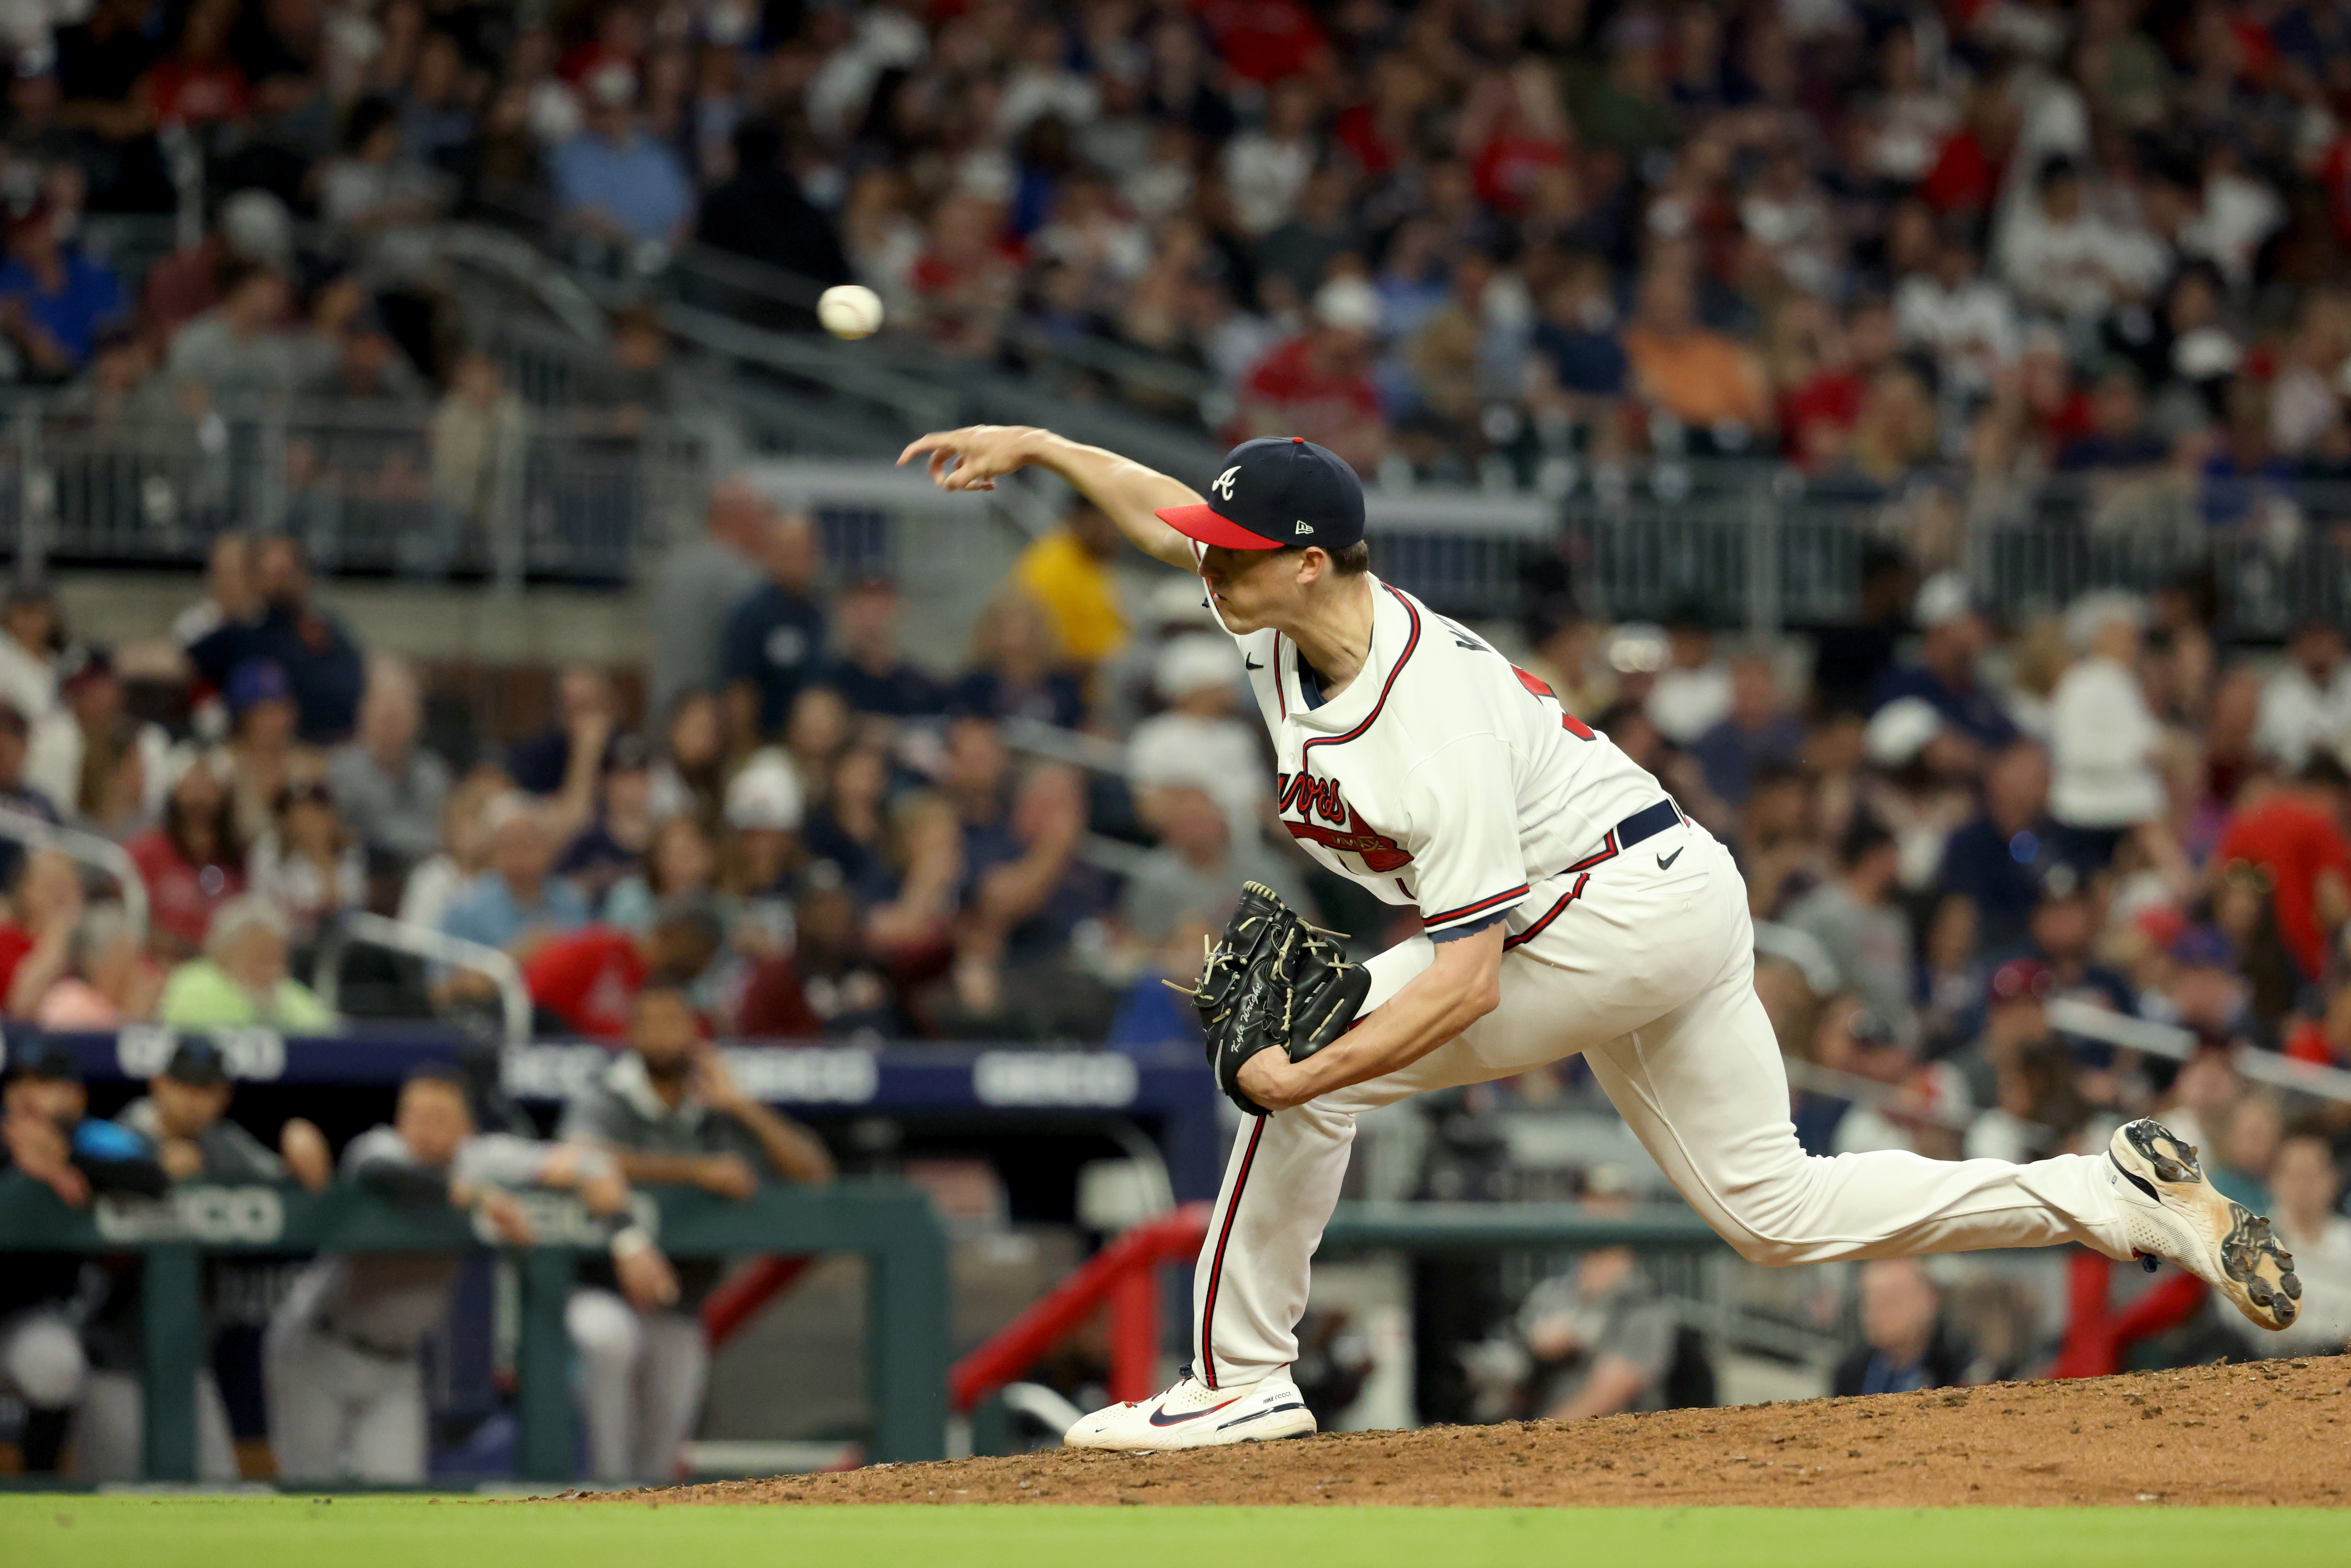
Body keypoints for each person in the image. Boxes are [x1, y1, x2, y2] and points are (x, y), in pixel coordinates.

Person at [899, 421, 2303, 1453]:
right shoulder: (1281, 616)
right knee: (1773, 1211)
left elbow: (1461, 984)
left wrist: (1298, 1079)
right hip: (1667, 890)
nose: (1202, 570)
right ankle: (2108, 1195)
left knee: (1299, 1053)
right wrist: (1034, 445)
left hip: (1615, 899)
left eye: (1232, 555)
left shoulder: (1417, 721)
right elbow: (1164, 514)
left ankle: (1237, 1378)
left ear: (1311, 561)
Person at [267, 1065, 655, 1484]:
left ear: (466, 1128)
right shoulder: (382, 1147)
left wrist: (628, 1238)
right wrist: (476, 1196)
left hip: (396, 1365)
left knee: (398, 1496)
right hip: (320, 1347)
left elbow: (587, 1163)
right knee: (308, 1490)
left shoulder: (481, 1158)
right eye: (415, 1117)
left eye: (440, 1119)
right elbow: (382, 1174)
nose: (425, 1130)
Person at [559, 981, 834, 1483]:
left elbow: (814, 1173)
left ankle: (649, 1532)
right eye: (652, 1024)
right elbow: (580, 1155)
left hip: (681, 1302)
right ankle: (600, 1495)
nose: (664, 1036)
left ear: (695, 1033)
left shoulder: (715, 1105)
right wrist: (695, 1170)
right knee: (608, 1341)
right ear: (631, 1033)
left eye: (675, 1023)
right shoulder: (608, 1092)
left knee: (663, 1454)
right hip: (603, 1288)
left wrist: (742, 1104)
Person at [185, 536, 367, 746]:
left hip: (328, 751)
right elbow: (182, 662)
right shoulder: (241, 638)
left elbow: (357, 687)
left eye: (287, 573)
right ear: (256, 580)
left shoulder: (328, 634)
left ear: (304, 576)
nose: (280, 583)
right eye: (271, 575)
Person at [2047, 593, 2163, 867]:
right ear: (2097, 637)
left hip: (2126, 807)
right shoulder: (2080, 683)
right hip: (2091, 812)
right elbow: (2074, 751)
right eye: (2123, 634)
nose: (2132, 644)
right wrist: (2138, 752)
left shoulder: (2121, 682)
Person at [647, 476, 767, 720]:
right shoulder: (745, 576)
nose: (765, 527)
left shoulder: (673, 565)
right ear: (740, 517)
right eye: (761, 516)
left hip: (665, 711)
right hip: (712, 722)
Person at [326, 657, 450, 870]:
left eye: (398, 720)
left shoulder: (434, 775)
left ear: (418, 722)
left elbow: (442, 841)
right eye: (384, 719)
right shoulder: (338, 773)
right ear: (364, 717)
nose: (390, 731)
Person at [718, 509, 826, 745]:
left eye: (804, 548)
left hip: (808, 746)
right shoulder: (752, 613)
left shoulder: (817, 612)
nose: (797, 557)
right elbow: (740, 690)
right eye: (787, 549)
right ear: (770, 552)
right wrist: (746, 750)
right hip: (765, 741)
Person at [156, 895, 336, 1030]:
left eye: (279, 958)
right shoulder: (191, 985)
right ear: (225, 953)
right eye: (262, 957)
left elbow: (326, 1037)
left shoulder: (295, 998)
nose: (273, 968)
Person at [1830, 1258, 1975, 1395]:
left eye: (1889, 1300)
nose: (1875, 1312)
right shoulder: (1852, 1373)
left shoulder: (1962, 1368)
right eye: (1868, 1301)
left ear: (1929, 1301)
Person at [2266, 1133, 2351, 1356]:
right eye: (2294, 1175)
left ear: (2332, 1180)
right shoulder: (2254, 1243)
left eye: (2311, 1175)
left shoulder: (2348, 1242)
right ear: (2274, 1180)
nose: (2302, 1186)